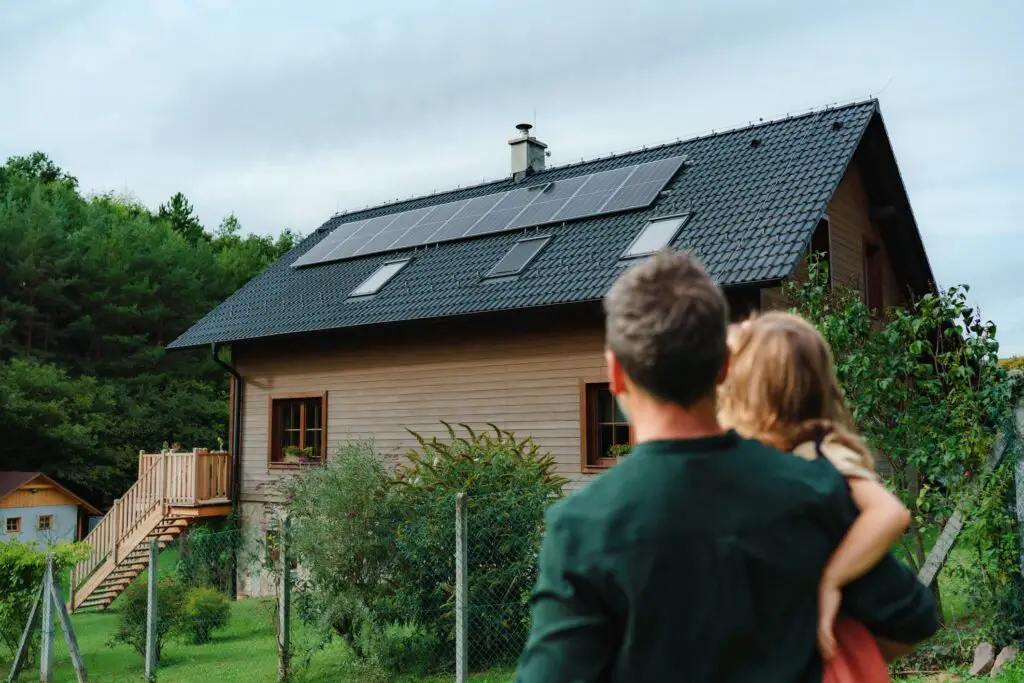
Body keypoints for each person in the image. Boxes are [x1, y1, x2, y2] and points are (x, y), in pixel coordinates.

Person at [515, 251, 938, 682]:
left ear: (617, 374)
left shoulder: (582, 527)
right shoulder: (812, 488)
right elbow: (912, 622)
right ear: (723, 367)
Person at [720, 312, 912, 680]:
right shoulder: (773, 454)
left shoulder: (820, 451)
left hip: (828, 651)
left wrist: (831, 579)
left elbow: (890, 512)